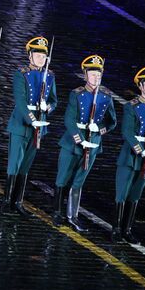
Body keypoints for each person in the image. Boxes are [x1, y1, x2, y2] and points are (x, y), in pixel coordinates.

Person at [52, 55, 117, 232]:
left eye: (99, 75)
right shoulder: (77, 94)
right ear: (85, 75)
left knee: (79, 180)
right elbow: (69, 119)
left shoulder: (106, 96)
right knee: (63, 177)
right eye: (92, 74)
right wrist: (79, 139)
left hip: (93, 143)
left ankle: (72, 216)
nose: (96, 78)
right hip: (73, 142)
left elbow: (112, 122)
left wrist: (99, 129)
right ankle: (57, 213)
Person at [1, 36, 57, 217]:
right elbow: (20, 100)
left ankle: (18, 202)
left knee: (25, 166)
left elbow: (54, 100)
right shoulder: (21, 73)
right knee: (14, 164)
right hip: (21, 124)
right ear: (30, 56)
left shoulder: (49, 75)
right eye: (37, 55)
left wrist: (48, 107)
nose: (40, 59)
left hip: (38, 127)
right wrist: (33, 118)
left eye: (43, 56)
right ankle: (6, 202)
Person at [112, 67, 145, 243]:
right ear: (141, 86)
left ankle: (127, 229)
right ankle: (116, 229)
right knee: (122, 193)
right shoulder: (132, 106)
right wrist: (139, 148)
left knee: (135, 194)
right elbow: (127, 131)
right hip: (131, 156)